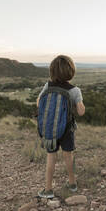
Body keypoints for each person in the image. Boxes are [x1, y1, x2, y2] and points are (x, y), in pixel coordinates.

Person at [36, 55, 85, 198]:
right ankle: (72, 183)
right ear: (71, 71)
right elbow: (81, 112)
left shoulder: (48, 85)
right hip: (67, 130)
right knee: (68, 156)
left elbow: (39, 103)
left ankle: (48, 189)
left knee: (51, 157)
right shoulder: (75, 90)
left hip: (50, 128)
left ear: (52, 71)